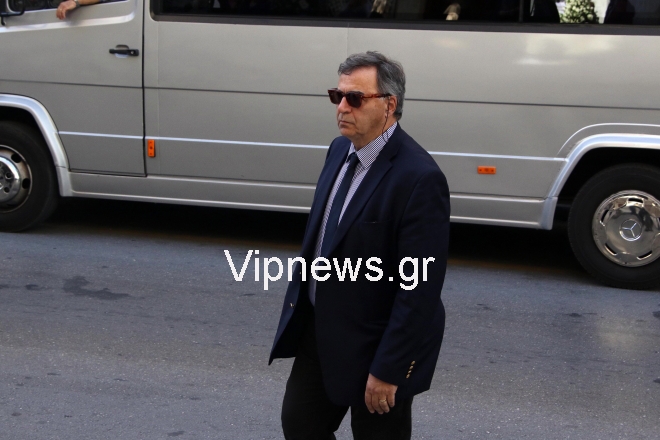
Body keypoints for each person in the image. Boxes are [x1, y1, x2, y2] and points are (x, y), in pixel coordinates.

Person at [269, 52, 450, 440]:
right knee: (300, 426)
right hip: (321, 334)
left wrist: (389, 368)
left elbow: (419, 288)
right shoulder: (338, 150)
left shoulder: (419, 178)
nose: (342, 108)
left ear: (389, 105)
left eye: (355, 98)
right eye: (338, 96)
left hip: (376, 346)